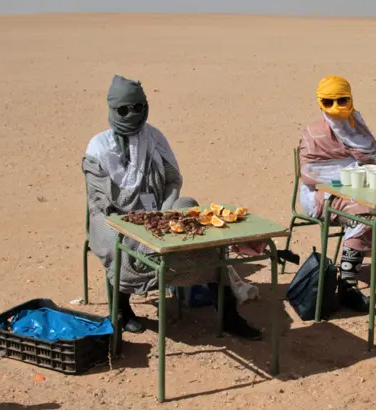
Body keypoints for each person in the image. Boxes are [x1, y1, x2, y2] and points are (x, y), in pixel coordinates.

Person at [82, 75, 261, 340]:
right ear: (112, 110)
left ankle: (228, 314)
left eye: (138, 107)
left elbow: (172, 180)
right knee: (118, 240)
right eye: (123, 109)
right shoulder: (98, 146)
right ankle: (121, 309)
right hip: (113, 216)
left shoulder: (154, 137)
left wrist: (164, 213)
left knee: (195, 217)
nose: (131, 114)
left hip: (158, 212)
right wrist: (134, 221)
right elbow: (100, 200)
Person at [298, 75, 376, 295]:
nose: (335, 107)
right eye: (328, 102)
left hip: (360, 189)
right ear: (320, 103)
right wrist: (348, 174)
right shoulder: (313, 133)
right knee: (366, 214)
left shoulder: (358, 128)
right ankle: (347, 284)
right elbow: (310, 175)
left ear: (350, 99)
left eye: (341, 100)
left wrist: (361, 174)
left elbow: (369, 162)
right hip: (322, 195)